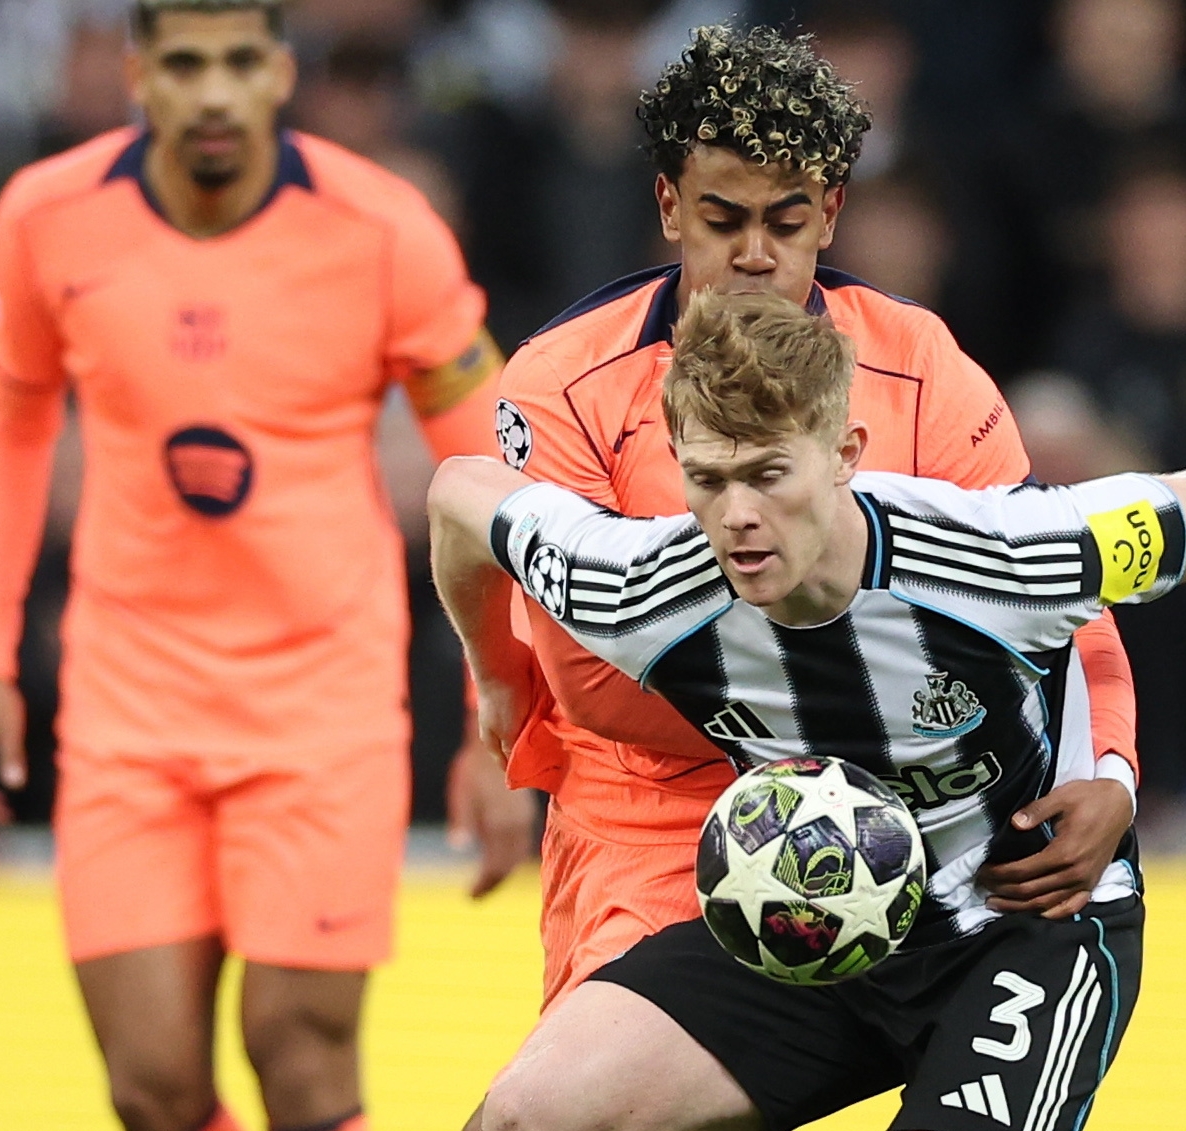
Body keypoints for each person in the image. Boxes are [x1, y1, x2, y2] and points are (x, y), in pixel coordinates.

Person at [430, 289, 1186, 1131]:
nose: (739, 515)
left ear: (845, 454)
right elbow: (460, 494)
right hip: (817, 919)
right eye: (708, 479)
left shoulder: (997, 558)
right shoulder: (638, 588)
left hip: (1022, 926)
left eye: (768, 474)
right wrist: (500, 674)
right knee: (527, 1115)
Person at [456, 23, 1150, 1009]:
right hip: (653, 819)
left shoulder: (922, 368)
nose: (752, 256)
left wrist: (1112, 769)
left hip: (905, 817)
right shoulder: (563, 384)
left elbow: (1062, 594)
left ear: (830, 215)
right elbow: (594, 680)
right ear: (667, 206)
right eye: (720, 219)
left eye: (785, 223)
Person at [0, 1, 526, 1129]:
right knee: (149, 1086)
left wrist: (497, 708)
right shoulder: (45, 217)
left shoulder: (383, 229)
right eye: (187, 63)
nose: (214, 93)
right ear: (137, 75)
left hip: (322, 708)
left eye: (240, 63)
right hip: (127, 706)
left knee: (299, 1055)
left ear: (280, 73)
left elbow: (490, 480)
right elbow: (10, 428)